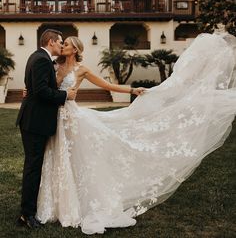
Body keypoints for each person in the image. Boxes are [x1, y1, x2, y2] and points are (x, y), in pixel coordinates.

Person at [37, 33, 236, 235]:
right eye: (62, 44)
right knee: (59, 157)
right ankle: (58, 203)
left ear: (75, 49)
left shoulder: (82, 70)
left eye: (67, 44)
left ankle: (78, 202)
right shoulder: (53, 64)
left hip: (72, 117)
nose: (62, 47)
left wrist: (132, 90)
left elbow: (107, 86)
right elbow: (42, 85)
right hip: (54, 116)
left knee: (77, 158)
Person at [16, 29, 77, 228]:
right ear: (51, 42)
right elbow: (41, 91)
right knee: (33, 168)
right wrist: (65, 96)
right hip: (35, 122)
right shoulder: (42, 60)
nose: (61, 45)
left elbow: (34, 87)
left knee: (33, 167)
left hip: (32, 120)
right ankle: (27, 215)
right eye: (60, 42)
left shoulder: (37, 56)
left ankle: (28, 211)